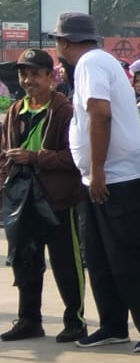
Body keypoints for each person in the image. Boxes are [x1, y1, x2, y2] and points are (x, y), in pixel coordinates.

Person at [54, 14, 140, 351]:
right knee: (100, 256)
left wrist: (99, 168)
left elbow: (99, 113)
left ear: (65, 42)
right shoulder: (95, 62)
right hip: (102, 177)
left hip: (120, 177)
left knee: (128, 255)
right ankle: (113, 323)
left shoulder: (89, 63)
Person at [1, 49, 85, 342]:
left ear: (51, 77)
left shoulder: (65, 111)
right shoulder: (15, 111)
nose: (28, 80)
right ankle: (29, 320)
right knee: (25, 260)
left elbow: (76, 158)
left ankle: (75, 321)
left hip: (57, 200)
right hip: (21, 200)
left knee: (65, 263)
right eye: (24, 74)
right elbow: (4, 155)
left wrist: (36, 157)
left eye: (35, 74)